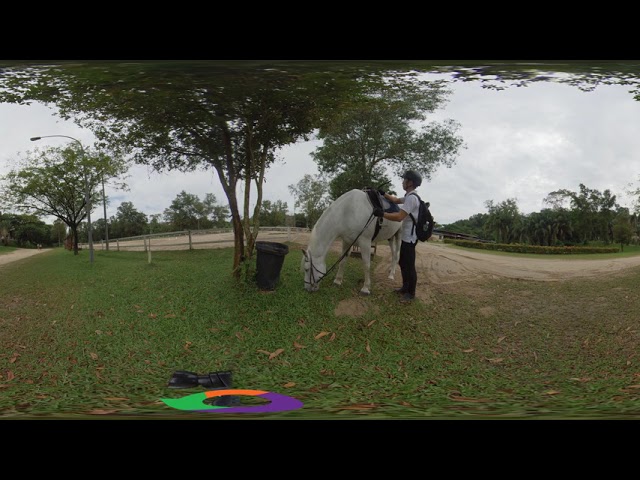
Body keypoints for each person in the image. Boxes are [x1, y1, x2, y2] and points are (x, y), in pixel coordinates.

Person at [372, 170, 423, 302]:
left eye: (405, 179)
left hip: (410, 238)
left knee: (409, 265)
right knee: (403, 262)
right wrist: (384, 194)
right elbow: (395, 200)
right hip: (406, 237)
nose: (403, 181)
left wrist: (382, 214)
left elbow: (400, 216)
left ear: (410, 182)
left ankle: (411, 293)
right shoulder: (409, 196)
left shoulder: (412, 198)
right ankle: (405, 288)